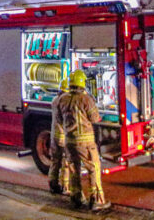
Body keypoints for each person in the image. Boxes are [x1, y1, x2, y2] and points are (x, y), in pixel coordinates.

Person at [55, 70, 110, 212]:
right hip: (85, 143)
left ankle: (76, 197)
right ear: (82, 83)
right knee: (94, 168)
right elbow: (95, 118)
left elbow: (59, 120)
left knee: (74, 169)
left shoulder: (62, 99)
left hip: (69, 141)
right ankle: (97, 201)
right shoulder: (86, 99)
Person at [48, 78, 71, 195]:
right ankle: (65, 187)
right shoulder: (64, 102)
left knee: (55, 161)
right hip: (62, 136)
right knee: (65, 163)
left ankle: (53, 185)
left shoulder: (54, 100)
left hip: (54, 136)